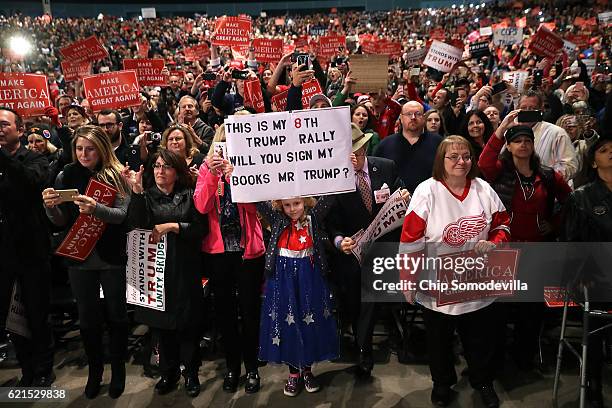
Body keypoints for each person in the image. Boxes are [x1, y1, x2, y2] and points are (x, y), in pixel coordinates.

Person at [399, 135, 511, 408]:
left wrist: (494, 243)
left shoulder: (484, 189)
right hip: (437, 281)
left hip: (476, 279)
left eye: (466, 156)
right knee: (439, 340)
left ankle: (482, 381)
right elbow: (411, 240)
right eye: (453, 157)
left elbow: (503, 225)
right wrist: (408, 279)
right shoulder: (427, 191)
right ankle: (442, 384)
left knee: (479, 338)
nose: (461, 162)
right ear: (441, 160)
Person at [42, 125, 130, 399]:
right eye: (79, 148)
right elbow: (61, 221)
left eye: (89, 149)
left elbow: (123, 214)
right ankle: (95, 372)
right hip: (79, 257)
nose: (83, 154)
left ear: (101, 148)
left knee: (116, 317)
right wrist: (50, 207)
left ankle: (118, 371)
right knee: (88, 320)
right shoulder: (66, 175)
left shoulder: (116, 175)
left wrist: (97, 209)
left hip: (110, 256)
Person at [479, 116, 572, 371]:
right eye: (517, 141)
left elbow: (570, 201)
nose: (522, 145)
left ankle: (523, 359)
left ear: (533, 145)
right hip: (504, 248)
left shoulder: (548, 176)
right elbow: (483, 163)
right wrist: (499, 130)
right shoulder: (500, 171)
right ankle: (495, 361)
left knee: (530, 310)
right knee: (498, 308)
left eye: (527, 141)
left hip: (536, 249)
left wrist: (554, 223)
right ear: (508, 146)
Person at [123, 149, 208, 398]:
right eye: (157, 166)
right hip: (155, 271)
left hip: (184, 268)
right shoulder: (145, 197)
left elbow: (200, 229)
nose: (160, 171)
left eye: (166, 167)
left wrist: (173, 226)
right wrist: (136, 194)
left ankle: (191, 373)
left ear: (177, 171)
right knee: (162, 328)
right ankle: (168, 373)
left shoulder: (189, 195)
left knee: (188, 326)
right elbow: (136, 227)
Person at [327, 123, 408, 379]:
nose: (355, 156)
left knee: (370, 297)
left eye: (358, 150)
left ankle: (364, 349)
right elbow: (329, 223)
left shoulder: (384, 166)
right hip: (350, 253)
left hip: (381, 249)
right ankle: (356, 335)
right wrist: (340, 241)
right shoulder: (334, 177)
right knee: (353, 298)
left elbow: (401, 191)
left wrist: (405, 196)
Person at [193, 122, 266, 394]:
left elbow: (254, 205)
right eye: (223, 140)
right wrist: (213, 174)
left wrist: (236, 177)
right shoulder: (205, 168)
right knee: (224, 313)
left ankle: (253, 368)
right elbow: (200, 205)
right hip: (218, 254)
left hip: (248, 253)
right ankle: (233, 367)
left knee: (249, 312)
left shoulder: (250, 167)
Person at [256, 194, 338, 397]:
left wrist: (346, 171)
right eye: (287, 205)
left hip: (309, 276)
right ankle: (294, 373)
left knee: (309, 319)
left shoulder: (314, 216)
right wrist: (236, 178)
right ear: (280, 205)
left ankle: (308, 370)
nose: (293, 209)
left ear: (306, 202)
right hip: (283, 278)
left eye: (297, 203)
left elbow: (332, 196)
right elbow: (256, 198)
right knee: (287, 322)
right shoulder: (276, 219)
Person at [0, 107, 55, 387]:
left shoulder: (35, 159)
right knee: (12, 316)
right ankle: (26, 369)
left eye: (3, 124)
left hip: (31, 249)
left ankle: (44, 368)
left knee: (36, 312)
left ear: (20, 130)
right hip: (4, 253)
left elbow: (31, 182)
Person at [561, 134, 612, 408]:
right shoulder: (582, 198)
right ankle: (592, 382)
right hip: (597, 279)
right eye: (604, 151)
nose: (611, 153)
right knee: (595, 328)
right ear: (593, 162)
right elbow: (572, 245)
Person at [374, 101, 442, 192]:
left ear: (424, 117)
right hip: (395, 201)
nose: (413, 117)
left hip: (431, 199)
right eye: (409, 114)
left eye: (418, 114)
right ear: (401, 118)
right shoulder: (385, 145)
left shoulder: (439, 143)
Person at [517, 90, 578, 181]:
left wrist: (544, 178)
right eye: (524, 108)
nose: (527, 112)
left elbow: (571, 166)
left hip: (547, 189)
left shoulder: (557, 133)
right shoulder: (509, 131)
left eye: (532, 108)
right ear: (517, 109)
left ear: (541, 110)